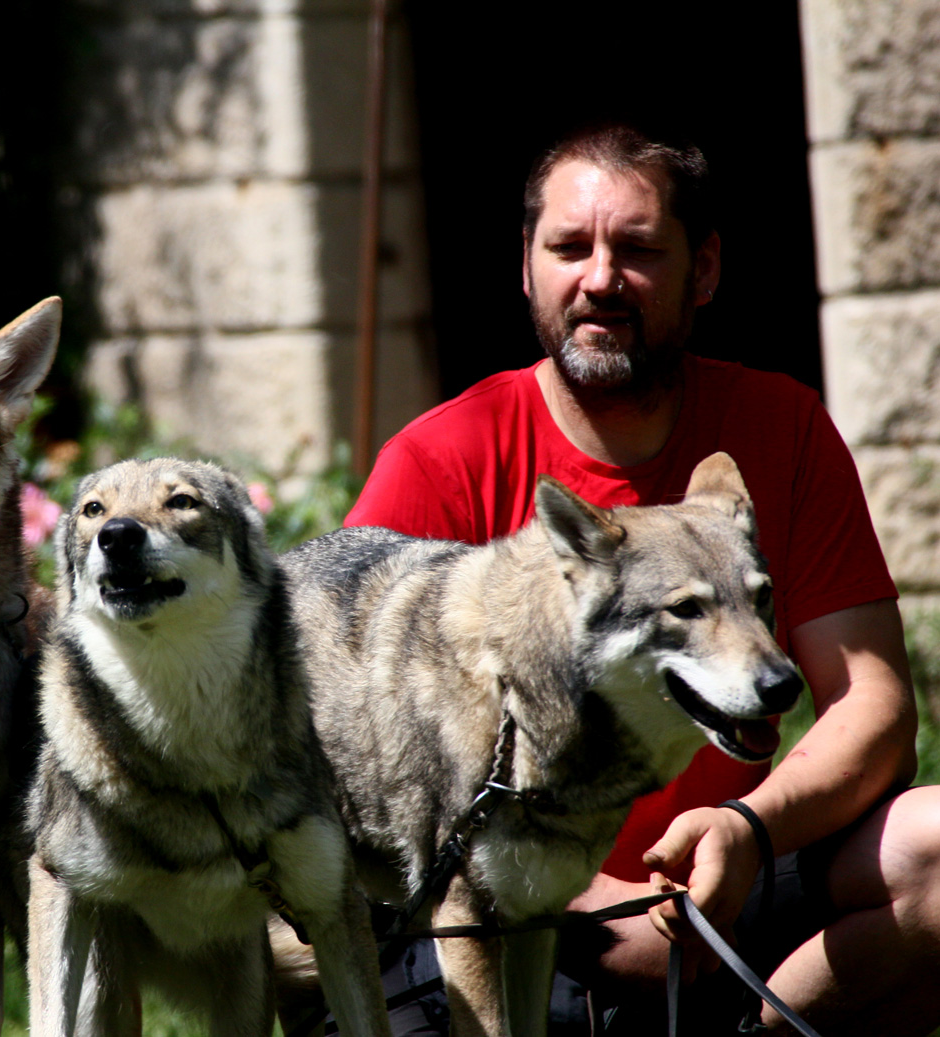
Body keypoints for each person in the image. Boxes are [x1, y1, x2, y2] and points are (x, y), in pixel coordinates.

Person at [345, 122, 940, 1035]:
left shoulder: (777, 426)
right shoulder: (440, 458)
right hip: (494, 911)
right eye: (568, 248)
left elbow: (876, 707)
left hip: (729, 884)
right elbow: (364, 767)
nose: (597, 278)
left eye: (635, 250)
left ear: (703, 270)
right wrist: (583, 899)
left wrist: (746, 829)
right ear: (525, 265)